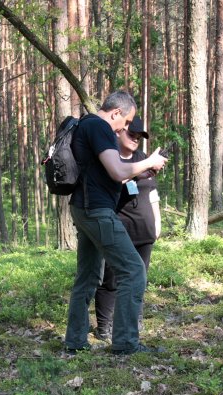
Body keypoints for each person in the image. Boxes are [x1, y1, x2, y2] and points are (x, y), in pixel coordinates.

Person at [64, 90, 167, 355]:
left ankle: (75, 341)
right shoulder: (99, 127)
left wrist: (143, 170)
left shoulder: (85, 125)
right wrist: (150, 160)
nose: (126, 127)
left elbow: (108, 176)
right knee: (133, 270)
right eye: (128, 121)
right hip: (97, 211)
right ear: (116, 113)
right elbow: (118, 170)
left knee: (88, 277)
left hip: (83, 208)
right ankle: (125, 343)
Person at [94, 116, 161, 342]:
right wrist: (139, 170)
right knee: (110, 280)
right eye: (132, 134)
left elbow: (152, 192)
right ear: (119, 132)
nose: (135, 140)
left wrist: (157, 222)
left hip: (144, 229)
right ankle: (104, 326)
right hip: (117, 229)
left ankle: (134, 322)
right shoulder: (109, 157)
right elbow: (116, 179)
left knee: (139, 279)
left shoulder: (143, 158)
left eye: (140, 137)